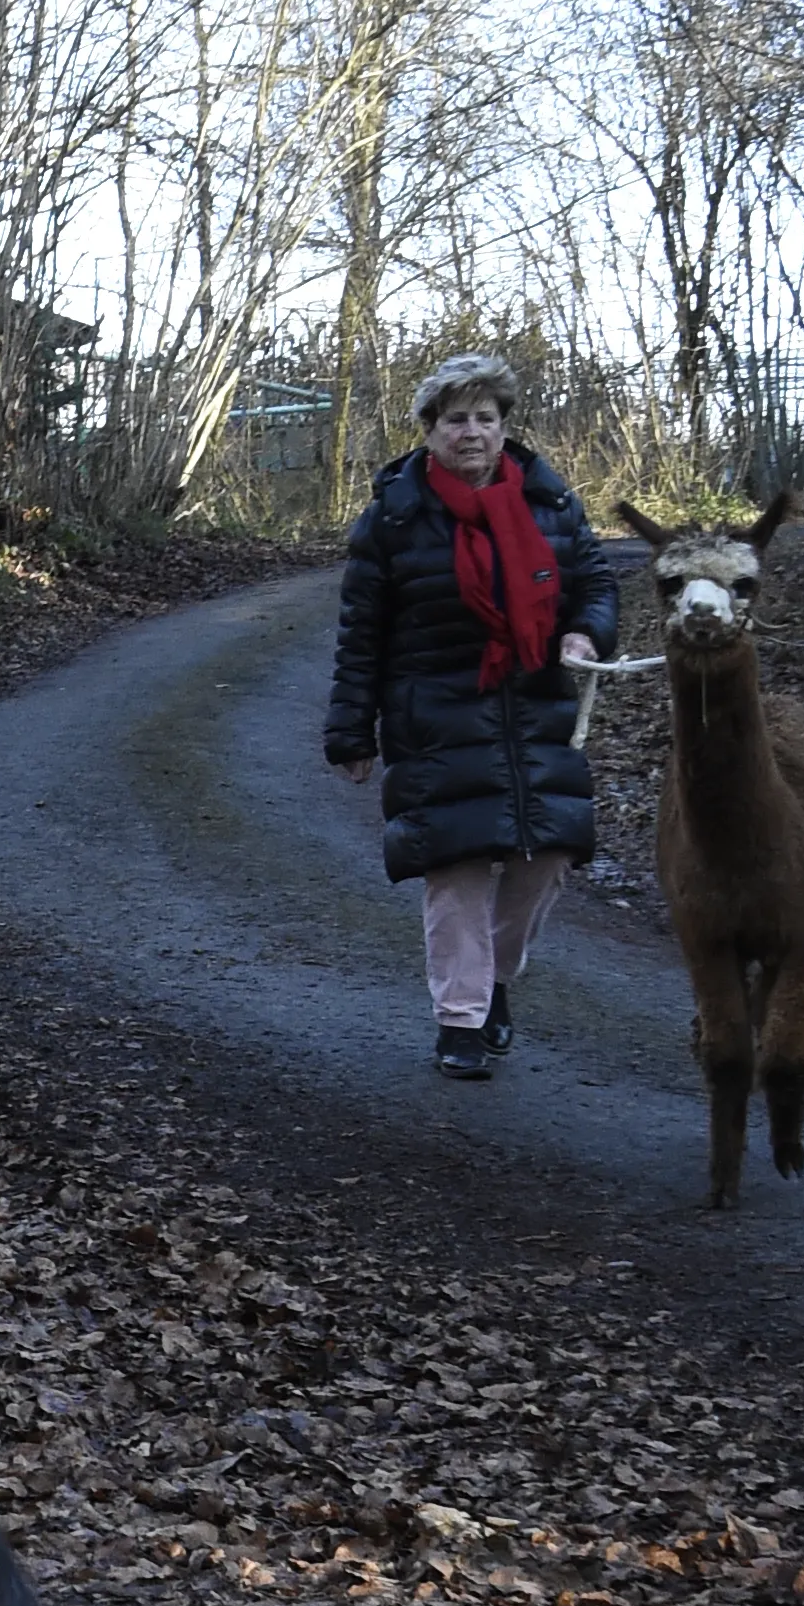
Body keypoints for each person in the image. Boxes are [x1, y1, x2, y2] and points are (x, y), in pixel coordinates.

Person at [323, 352, 615, 1079]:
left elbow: (596, 582)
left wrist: (586, 632)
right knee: (454, 865)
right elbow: (361, 634)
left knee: (548, 857)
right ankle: (460, 1019)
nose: (473, 433)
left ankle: (492, 984)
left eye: (486, 418)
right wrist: (351, 732)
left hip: (537, 708)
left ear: (503, 426)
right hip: (435, 717)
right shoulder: (393, 518)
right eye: (456, 419)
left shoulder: (550, 502)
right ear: (430, 430)